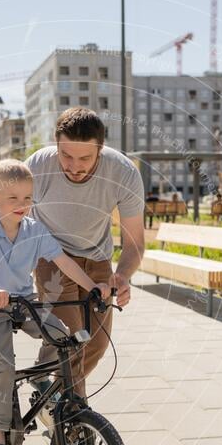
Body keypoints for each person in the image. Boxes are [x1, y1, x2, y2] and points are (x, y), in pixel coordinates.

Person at [0, 159, 111, 445]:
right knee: (3, 364)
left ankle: (41, 379)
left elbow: (63, 261)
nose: (22, 206)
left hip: (24, 302)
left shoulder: (35, 230)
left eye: (27, 199)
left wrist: (93, 288)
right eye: (12, 199)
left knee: (65, 336)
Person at [26, 107, 145, 397]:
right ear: (56, 145)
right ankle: (75, 428)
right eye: (66, 156)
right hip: (51, 258)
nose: (74, 166)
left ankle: (50, 391)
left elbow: (135, 242)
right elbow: (14, 223)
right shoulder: (37, 167)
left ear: (100, 151)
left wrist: (123, 276)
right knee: (71, 340)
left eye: (85, 158)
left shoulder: (123, 172)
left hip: (97, 259)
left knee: (96, 344)